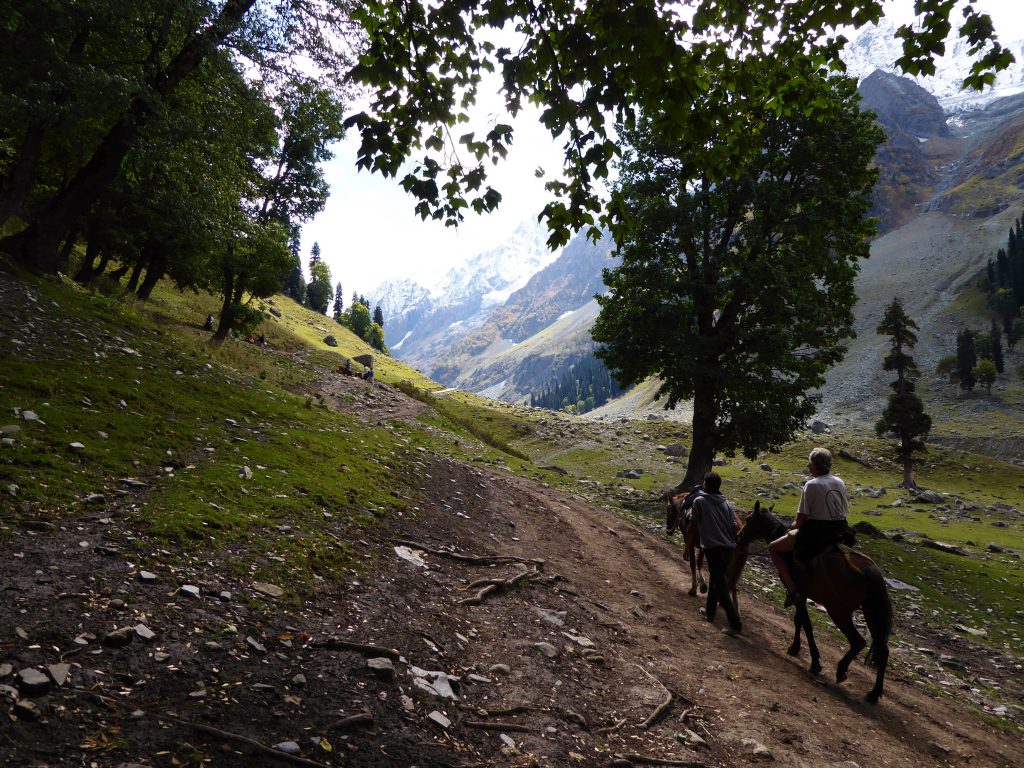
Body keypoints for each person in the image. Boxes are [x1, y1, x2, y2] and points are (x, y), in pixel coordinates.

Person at [769, 447, 850, 607]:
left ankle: (793, 590)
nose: (808, 467)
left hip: (817, 532)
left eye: (810, 464)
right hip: (841, 528)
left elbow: (800, 520)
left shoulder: (811, 485)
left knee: (773, 547)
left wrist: (793, 525)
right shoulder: (839, 481)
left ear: (815, 465)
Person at [690, 471, 742, 636]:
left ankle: (735, 624)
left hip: (713, 548)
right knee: (715, 579)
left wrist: (688, 545)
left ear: (706, 485)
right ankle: (710, 613)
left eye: (704, 482)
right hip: (728, 549)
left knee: (720, 585)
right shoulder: (726, 503)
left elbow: (693, 523)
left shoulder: (699, 501)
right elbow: (734, 526)